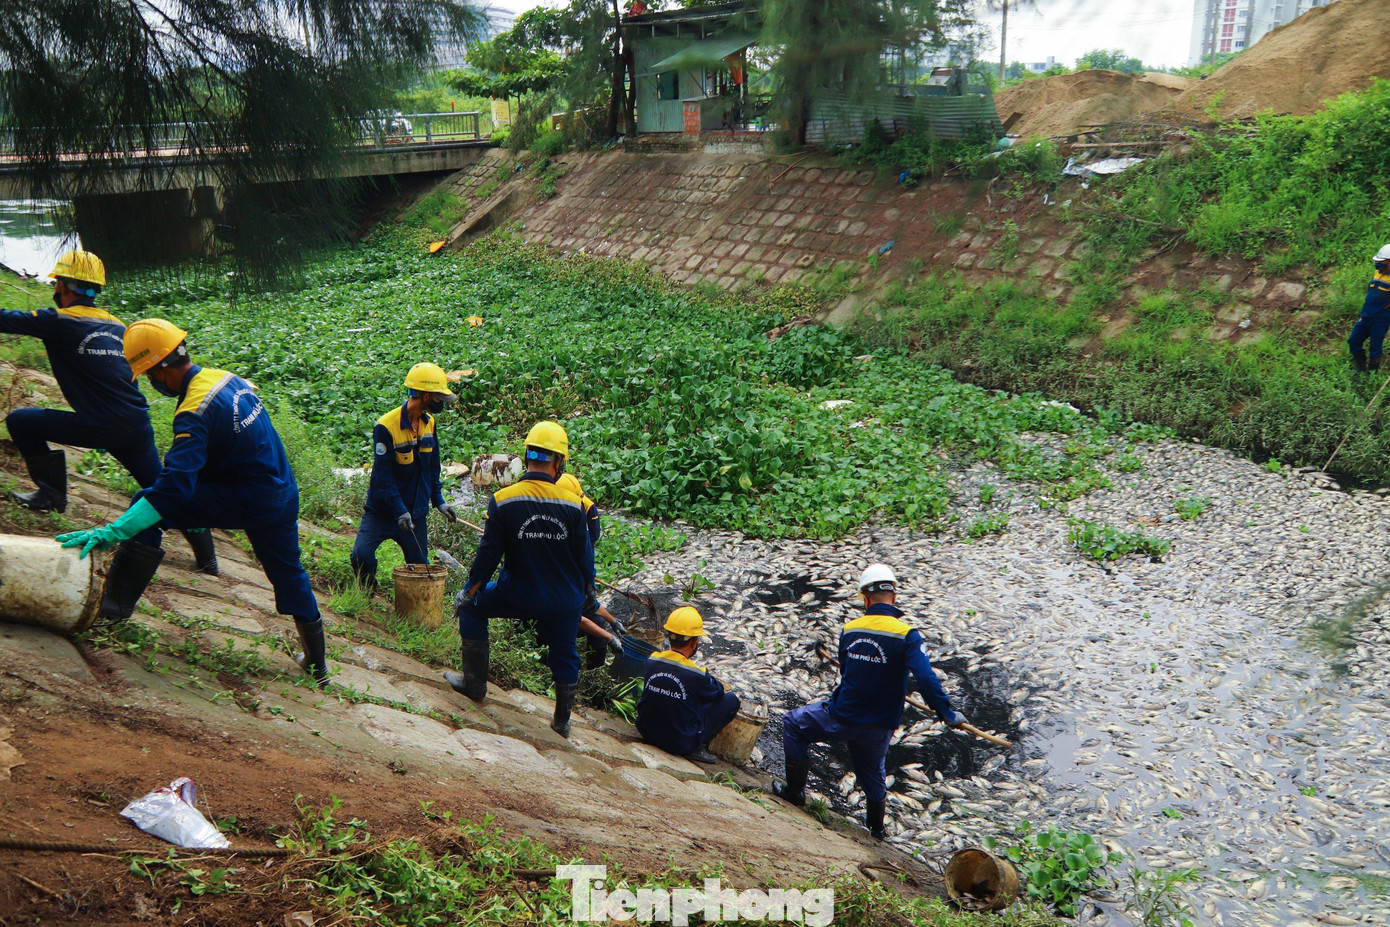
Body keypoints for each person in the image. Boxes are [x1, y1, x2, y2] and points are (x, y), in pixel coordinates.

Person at [54, 318, 329, 685]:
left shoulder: (193, 413)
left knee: (149, 503)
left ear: (162, 369)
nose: (152, 383)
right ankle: (317, 664)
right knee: (287, 571)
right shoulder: (225, 379)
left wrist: (115, 530)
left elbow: (173, 489)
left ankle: (114, 608)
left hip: (247, 497)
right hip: (281, 491)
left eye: (149, 375)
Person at [0, 250, 216, 573]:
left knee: (21, 422)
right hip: (136, 424)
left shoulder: (56, 321)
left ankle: (51, 495)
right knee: (166, 490)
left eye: (58, 283)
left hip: (97, 425)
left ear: (63, 286)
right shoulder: (118, 325)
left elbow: (4, 319)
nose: (56, 289)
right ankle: (208, 559)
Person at [776, 563, 964, 839]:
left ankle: (794, 793)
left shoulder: (850, 629)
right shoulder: (907, 635)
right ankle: (876, 831)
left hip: (842, 717)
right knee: (873, 775)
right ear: (894, 596)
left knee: (793, 723)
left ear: (865, 598)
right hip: (879, 726)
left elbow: (847, 672)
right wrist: (946, 712)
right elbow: (925, 678)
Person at [445, 420, 593, 737]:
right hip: (563, 600)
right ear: (559, 462)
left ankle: (474, 685)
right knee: (565, 651)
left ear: (527, 456)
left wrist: (469, 591)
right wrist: (589, 591)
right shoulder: (574, 505)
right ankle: (562, 721)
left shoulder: (504, 500)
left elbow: (488, 557)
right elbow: (585, 557)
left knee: (473, 608)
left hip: (518, 593)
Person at [349, 363, 459, 589]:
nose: (442, 404)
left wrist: (439, 501)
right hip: (383, 511)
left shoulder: (430, 424)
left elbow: (432, 467)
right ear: (426, 396)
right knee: (361, 556)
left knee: (421, 570)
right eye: (439, 398)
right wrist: (399, 510)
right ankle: (367, 591)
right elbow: (382, 477)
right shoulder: (386, 426)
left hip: (415, 513)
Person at [636, 606, 740, 765]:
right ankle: (697, 747)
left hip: (646, 731)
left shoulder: (653, 659)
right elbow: (719, 693)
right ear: (694, 642)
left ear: (669, 638)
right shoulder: (697, 674)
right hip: (679, 743)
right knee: (731, 700)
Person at [557, 472, 623, 668]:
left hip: (570, 587)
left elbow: (588, 604)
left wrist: (613, 621)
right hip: (548, 613)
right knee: (589, 629)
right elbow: (577, 618)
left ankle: (594, 671)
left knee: (596, 624)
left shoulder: (587, 509)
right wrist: (608, 635)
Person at [1349, 244, 1390, 372]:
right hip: (1366, 314)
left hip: (1381, 318)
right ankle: (1360, 368)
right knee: (1353, 340)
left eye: (1381, 261)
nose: (1378, 264)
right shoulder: (1377, 273)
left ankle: (1372, 373)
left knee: (1375, 347)